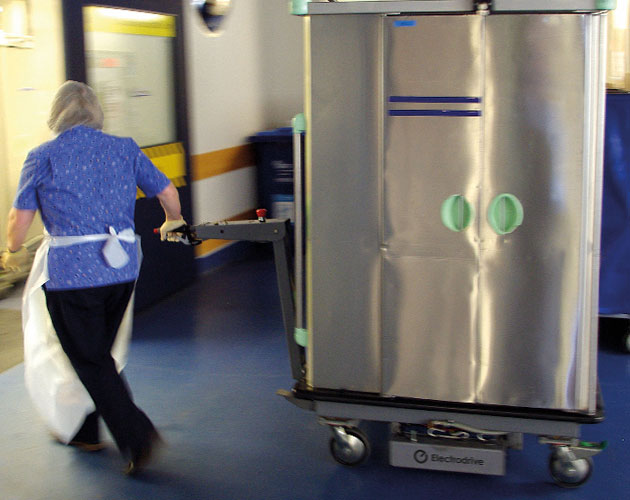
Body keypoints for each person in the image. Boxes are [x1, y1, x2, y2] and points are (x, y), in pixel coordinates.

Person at [0, 80, 186, 475]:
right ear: (96, 112)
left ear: (55, 115)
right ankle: (84, 430)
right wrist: (174, 220)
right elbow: (167, 191)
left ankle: (137, 436)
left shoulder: (42, 156)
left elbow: (19, 222)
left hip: (72, 275)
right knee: (97, 353)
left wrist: (11, 247)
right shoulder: (124, 148)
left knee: (87, 356)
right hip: (121, 269)